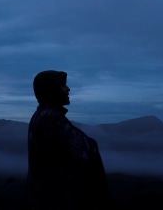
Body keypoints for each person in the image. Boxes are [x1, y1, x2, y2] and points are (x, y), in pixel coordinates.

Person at [26, 70, 110, 209]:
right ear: (50, 90)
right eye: (62, 85)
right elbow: (84, 151)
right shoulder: (50, 119)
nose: (68, 89)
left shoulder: (43, 115)